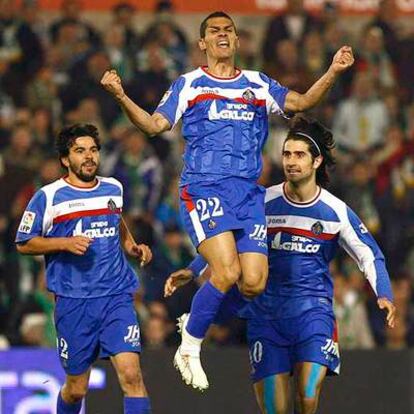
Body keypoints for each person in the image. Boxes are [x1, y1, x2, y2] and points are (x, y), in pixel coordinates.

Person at [101, 11, 354, 391]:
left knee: (253, 282)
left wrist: (333, 70)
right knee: (227, 273)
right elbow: (154, 125)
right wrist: (120, 95)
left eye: (229, 31)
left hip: (248, 194)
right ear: (202, 44)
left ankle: (196, 318)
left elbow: (300, 102)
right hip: (205, 188)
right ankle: (189, 345)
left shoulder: (257, 84)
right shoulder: (190, 83)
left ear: (237, 41)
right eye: (214, 31)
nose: (222, 35)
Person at [165, 115, 395, 412]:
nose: (291, 161)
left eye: (299, 155)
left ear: (317, 162)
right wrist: (194, 269)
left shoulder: (335, 211)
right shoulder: (260, 202)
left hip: (313, 314)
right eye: (287, 154)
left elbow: (369, 254)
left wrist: (384, 294)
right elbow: (230, 242)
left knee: (308, 397)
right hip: (267, 318)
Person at [15, 124, 153, 414]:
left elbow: (118, 221)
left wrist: (131, 246)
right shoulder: (48, 196)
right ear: (66, 159)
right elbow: (24, 243)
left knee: (131, 376)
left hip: (116, 296)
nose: (89, 157)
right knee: (77, 389)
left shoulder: (113, 187)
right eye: (80, 151)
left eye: (93, 150)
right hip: (74, 303)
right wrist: (64, 243)